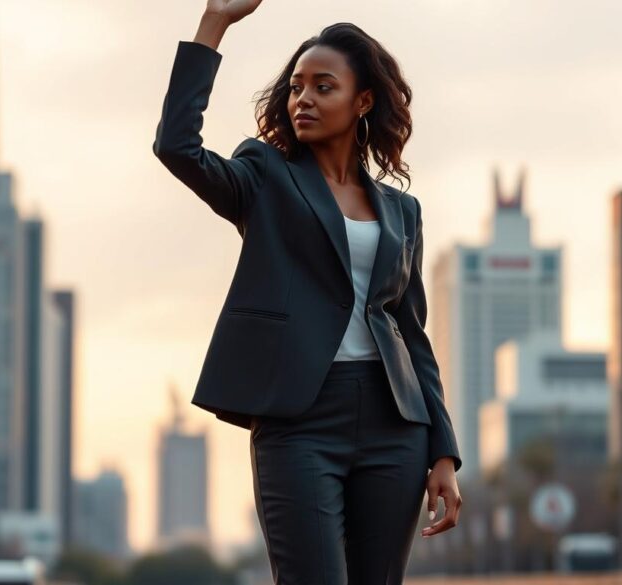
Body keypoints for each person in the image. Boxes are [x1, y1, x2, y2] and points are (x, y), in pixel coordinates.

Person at [152, 1, 462, 582]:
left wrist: (442, 451)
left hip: (395, 427)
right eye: (296, 87)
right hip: (299, 421)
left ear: (362, 101)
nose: (304, 99)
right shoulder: (265, 175)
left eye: (324, 86)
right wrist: (213, 24)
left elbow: (412, 332)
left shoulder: (402, 211)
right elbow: (177, 147)